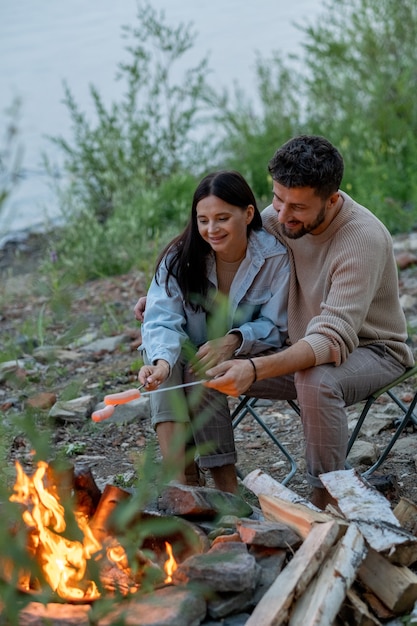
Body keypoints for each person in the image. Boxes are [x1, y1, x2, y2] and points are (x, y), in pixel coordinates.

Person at [204, 135, 415, 509]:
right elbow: (212, 252)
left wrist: (253, 369)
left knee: (316, 379)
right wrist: (163, 295)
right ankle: (221, 493)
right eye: (277, 198)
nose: (282, 216)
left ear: (331, 200)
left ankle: (324, 503)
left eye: (297, 207)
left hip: (372, 349)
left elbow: (331, 339)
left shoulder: (361, 238)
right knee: (203, 364)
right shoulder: (275, 220)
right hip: (295, 344)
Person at [136, 170, 290, 493]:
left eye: (222, 218)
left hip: (245, 354)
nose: (211, 229)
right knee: (168, 364)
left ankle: (225, 488)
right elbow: (160, 318)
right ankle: (181, 484)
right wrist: (162, 362)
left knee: (205, 368)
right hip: (182, 352)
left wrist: (234, 341)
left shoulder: (274, 258)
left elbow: (277, 325)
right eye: (203, 220)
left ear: (248, 214)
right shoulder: (179, 258)